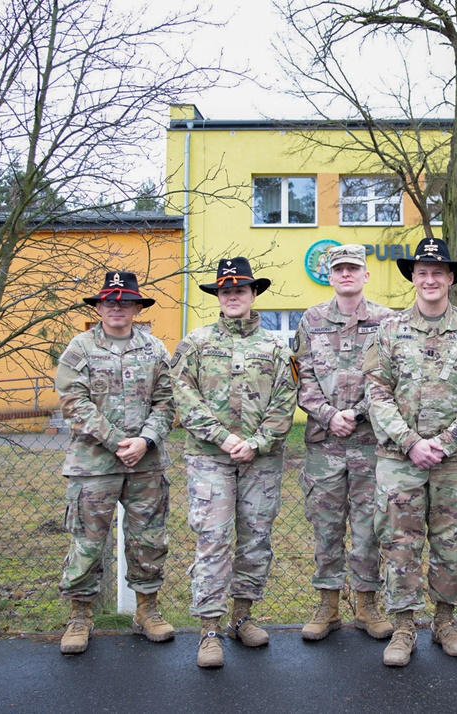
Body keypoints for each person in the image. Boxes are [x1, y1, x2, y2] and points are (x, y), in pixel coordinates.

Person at [362, 237, 457, 667]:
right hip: (400, 459)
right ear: (413, 278)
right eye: (422, 272)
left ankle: (444, 622)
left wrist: (444, 442)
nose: (430, 279)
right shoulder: (389, 331)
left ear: (451, 278)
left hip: (455, 460)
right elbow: (376, 392)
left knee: (450, 542)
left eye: (438, 272)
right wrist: (412, 442)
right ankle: (403, 627)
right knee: (399, 542)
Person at [170, 257, 297, 668]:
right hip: (210, 458)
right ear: (218, 296)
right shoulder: (196, 343)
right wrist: (224, 437)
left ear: (253, 294)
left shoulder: (277, 346)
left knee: (256, 539)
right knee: (213, 539)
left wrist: (257, 442)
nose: (232, 297)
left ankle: (242, 616)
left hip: (261, 461)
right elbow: (183, 397)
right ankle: (209, 628)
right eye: (225, 291)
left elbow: (285, 400)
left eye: (240, 290)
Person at [56, 271, 176, 654]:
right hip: (94, 464)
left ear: (138, 307)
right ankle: (80, 616)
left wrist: (145, 440)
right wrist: (115, 439)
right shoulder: (80, 347)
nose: (117, 307)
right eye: (110, 300)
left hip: (146, 464)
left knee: (149, 540)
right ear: (99, 306)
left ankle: (147, 611)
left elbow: (167, 402)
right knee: (87, 541)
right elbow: (73, 401)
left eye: (125, 301)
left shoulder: (155, 349)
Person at [294, 245, 393, 641]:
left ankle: (367, 605)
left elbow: (391, 374)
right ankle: (328, 605)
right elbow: (301, 376)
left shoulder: (387, 320)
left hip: (371, 442)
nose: (347, 275)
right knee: (326, 526)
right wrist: (328, 414)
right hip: (325, 443)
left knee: (370, 526)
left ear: (366, 275)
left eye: (354, 268)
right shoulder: (311, 320)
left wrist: (360, 412)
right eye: (340, 270)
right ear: (330, 276)